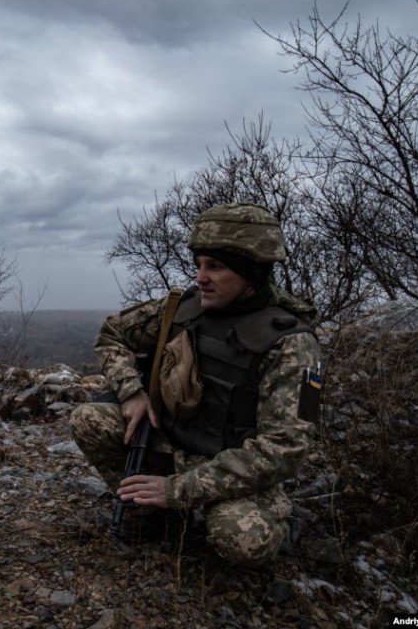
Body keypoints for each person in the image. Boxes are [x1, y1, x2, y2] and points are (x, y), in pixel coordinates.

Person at [70, 202, 321, 566]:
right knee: (87, 419)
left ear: (252, 273)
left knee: (244, 540)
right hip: (171, 442)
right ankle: (153, 514)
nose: (201, 277)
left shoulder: (293, 343)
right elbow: (112, 334)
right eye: (199, 265)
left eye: (216, 267)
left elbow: (286, 450)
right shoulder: (183, 308)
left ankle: (283, 522)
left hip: (231, 466)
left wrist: (177, 490)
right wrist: (132, 392)